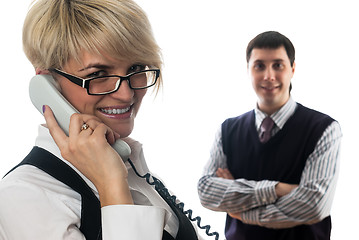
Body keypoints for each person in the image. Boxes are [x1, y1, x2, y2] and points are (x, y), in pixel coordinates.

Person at [0, 0, 205, 239]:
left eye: (136, 67)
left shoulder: (138, 173)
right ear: (48, 84)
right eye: (97, 74)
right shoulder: (24, 196)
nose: (126, 94)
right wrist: (111, 184)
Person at [197, 31, 342, 240]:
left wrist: (241, 210)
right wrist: (277, 189)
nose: (268, 76)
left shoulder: (324, 129)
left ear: (292, 69)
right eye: (259, 66)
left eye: (278, 65)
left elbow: (314, 205)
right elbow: (206, 191)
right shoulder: (227, 130)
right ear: (248, 69)